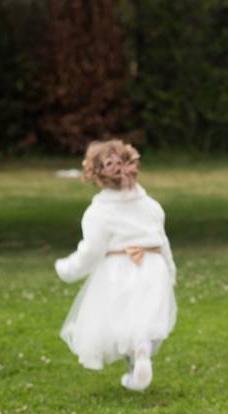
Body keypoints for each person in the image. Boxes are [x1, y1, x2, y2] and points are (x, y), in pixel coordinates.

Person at [55, 140, 177, 391]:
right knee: (145, 319)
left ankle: (135, 363)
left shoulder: (99, 211)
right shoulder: (150, 204)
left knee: (121, 320)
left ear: (96, 175)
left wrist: (67, 269)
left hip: (118, 269)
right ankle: (141, 353)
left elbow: (91, 251)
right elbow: (162, 241)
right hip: (154, 267)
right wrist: (170, 270)